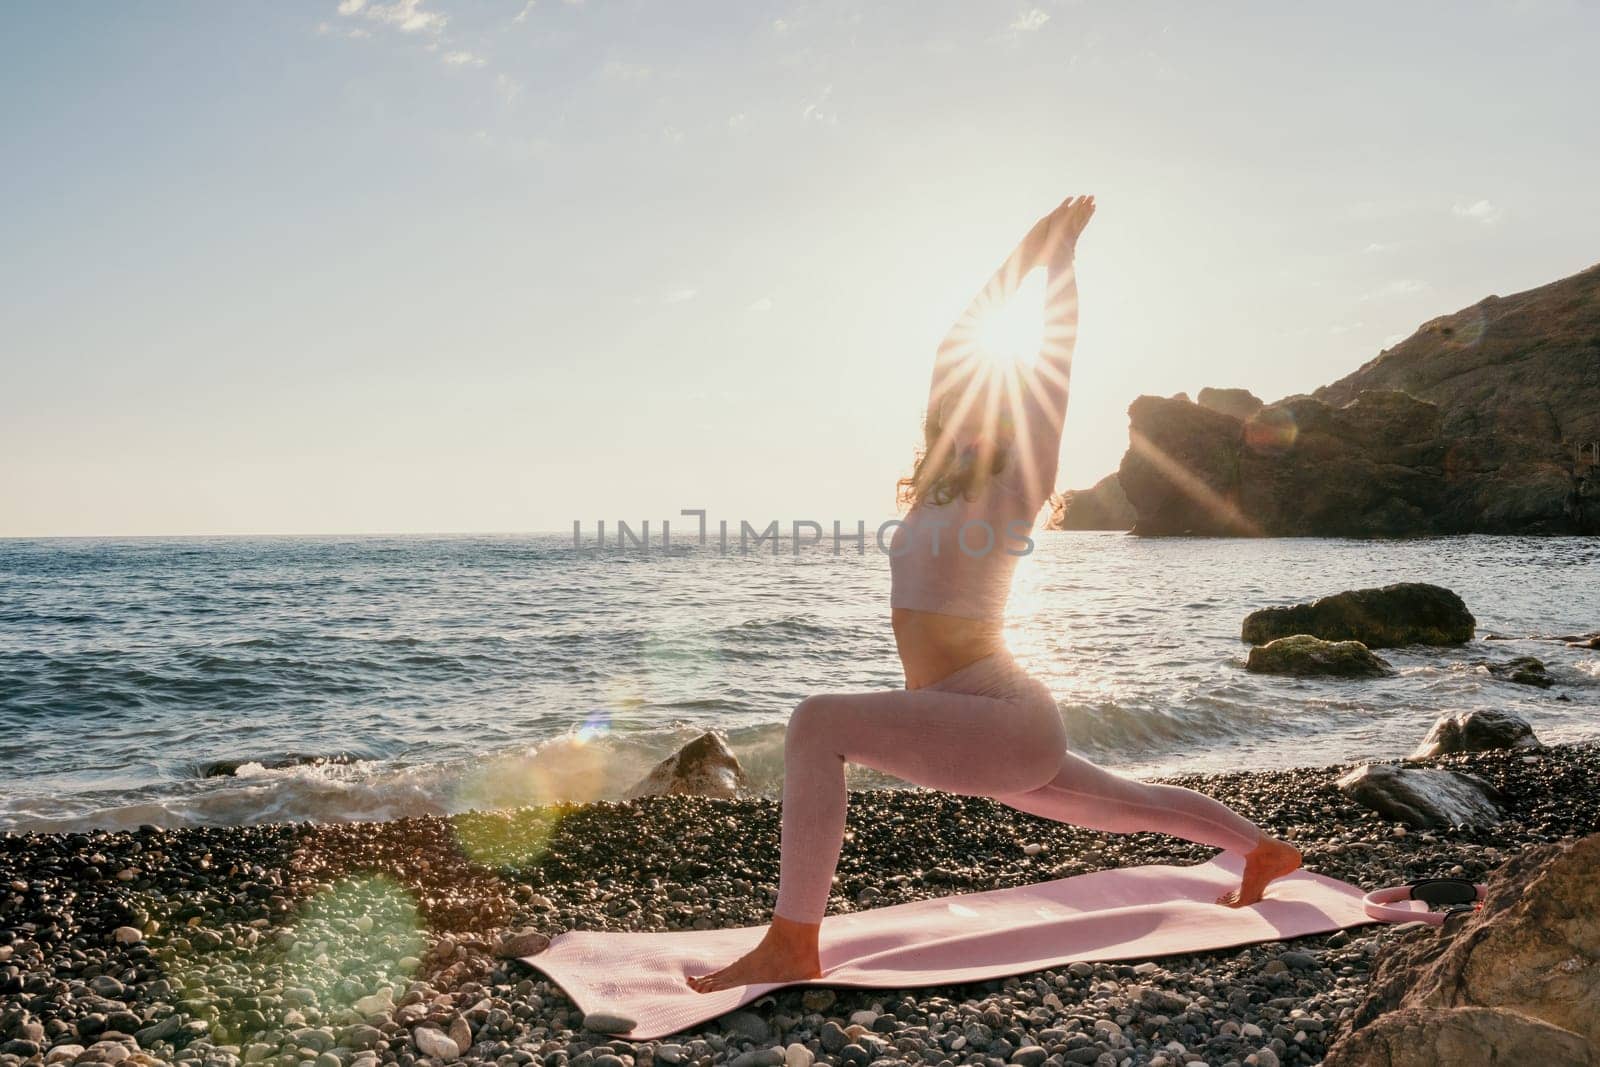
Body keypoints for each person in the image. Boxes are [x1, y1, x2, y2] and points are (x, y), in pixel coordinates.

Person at [687, 195, 1301, 993]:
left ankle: (793, 941)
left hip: (999, 711)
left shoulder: (1020, 477)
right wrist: (1023, 248)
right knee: (1123, 802)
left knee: (815, 723)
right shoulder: (934, 487)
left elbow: (1054, 364)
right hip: (973, 717)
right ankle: (1263, 847)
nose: (962, 407)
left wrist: (1061, 264)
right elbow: (956, 342)